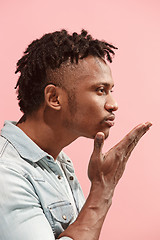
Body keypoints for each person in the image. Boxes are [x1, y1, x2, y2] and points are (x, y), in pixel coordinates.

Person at [0, 29, 152, 240]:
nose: (113, 104)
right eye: (100, 90)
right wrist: (102, 191)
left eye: (111, 90)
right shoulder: (6, 172)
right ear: (54, 98)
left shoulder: (59, 162)